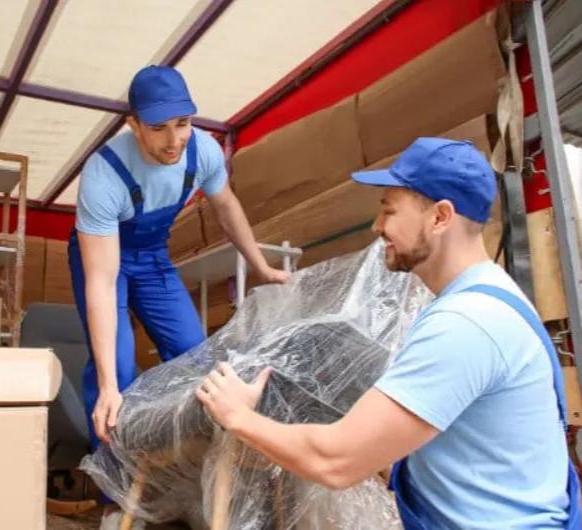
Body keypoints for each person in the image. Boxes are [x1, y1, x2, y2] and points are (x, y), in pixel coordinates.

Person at [196, 138, 580, 529]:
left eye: (389, 210)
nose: (377, 226)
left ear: (440, 217)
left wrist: (238, 416)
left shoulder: (466, 323)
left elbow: (335, 462)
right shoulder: (493, 295)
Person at [69, 65, 289, 525]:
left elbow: (226, 206)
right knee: (117, 372)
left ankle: (187, 475)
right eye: (159, 128)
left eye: (183, 124)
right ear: (133, 124)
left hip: (152, 256)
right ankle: (115, 494)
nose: (174, 141)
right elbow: (102, 282)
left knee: (196, 357)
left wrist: (261, 266)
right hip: (104, 257)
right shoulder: (103, 175)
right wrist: (108, 386)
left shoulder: (202, 150)